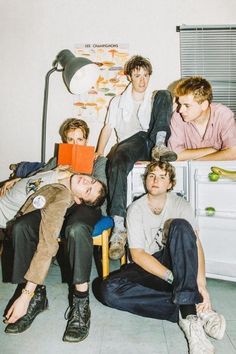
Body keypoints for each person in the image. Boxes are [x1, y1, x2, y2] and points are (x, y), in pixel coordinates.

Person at [92, 161, 226, 354]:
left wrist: (201, 285)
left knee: (180, 226)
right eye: (151, 175)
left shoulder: (181, 204)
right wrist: (173, 278)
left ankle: (189, 317)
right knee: (107, 290)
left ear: (170, 184)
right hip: (148, 265)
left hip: (175, 260)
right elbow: (137, 255)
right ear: (146, 180)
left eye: (162, 177)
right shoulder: (135, 209)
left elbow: (195, 245)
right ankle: (191, 308)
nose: (155, 180)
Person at [2, 118, 108, 343]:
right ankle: (35, 296)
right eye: (70, 140)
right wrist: (18, 178)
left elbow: (98, 190)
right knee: (21, 226)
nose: (75, 143)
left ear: (86, 139)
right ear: (64, 141)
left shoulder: (99, 160)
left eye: (80, 139)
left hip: (84, 204)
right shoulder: (58, 159)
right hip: (57, 202)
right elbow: (41, 178)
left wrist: (79, 179)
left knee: (76, 229)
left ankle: (81, 303)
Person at [96, 55, 177, 260]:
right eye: (137, 75)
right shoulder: (118, 101)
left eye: (146, 75)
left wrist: (159, 143)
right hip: (132, 144)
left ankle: (160, 145)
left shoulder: (154, 97)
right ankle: (119, 228)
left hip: (153, 142)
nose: (142, 80)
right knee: (116, 160)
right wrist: (98, 151)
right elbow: (108, 127)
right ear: (130, 76)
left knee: (166, 94)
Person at [168, 76, 236, 161]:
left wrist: (196, 161)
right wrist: (213, 151)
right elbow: (174, 155)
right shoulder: (177, 116)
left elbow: (233, 153)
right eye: (180, 104)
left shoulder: (223, 114)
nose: (181, 110)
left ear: (204, 105)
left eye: (187, 105)